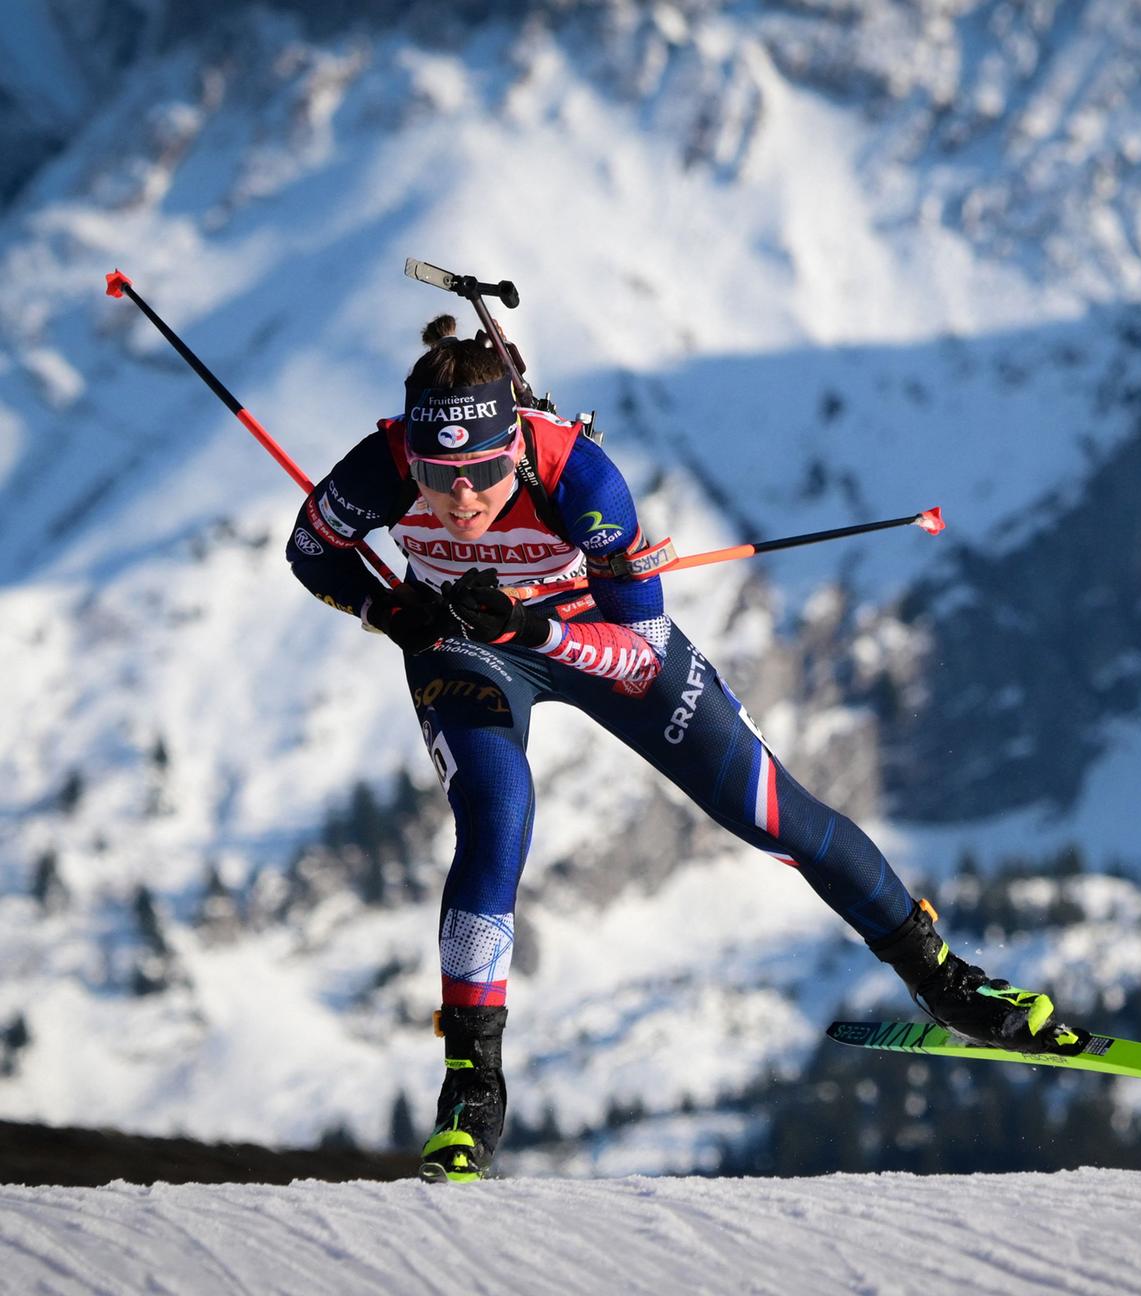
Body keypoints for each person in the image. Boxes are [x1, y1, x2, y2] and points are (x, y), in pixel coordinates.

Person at [286, 314, 1082, 1182]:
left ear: (516, 444)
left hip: (589, 637)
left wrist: (531, 624)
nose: (462, 497)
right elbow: (312, 549)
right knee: (496, 818)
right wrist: (396, 612)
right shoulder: (382, 468)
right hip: (462, 646)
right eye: (440, 476)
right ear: (412, 453)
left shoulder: (583, 481)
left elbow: (634, 658)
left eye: (482, 470)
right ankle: (472, 1088)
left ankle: (944, 982)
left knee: (776, 814)